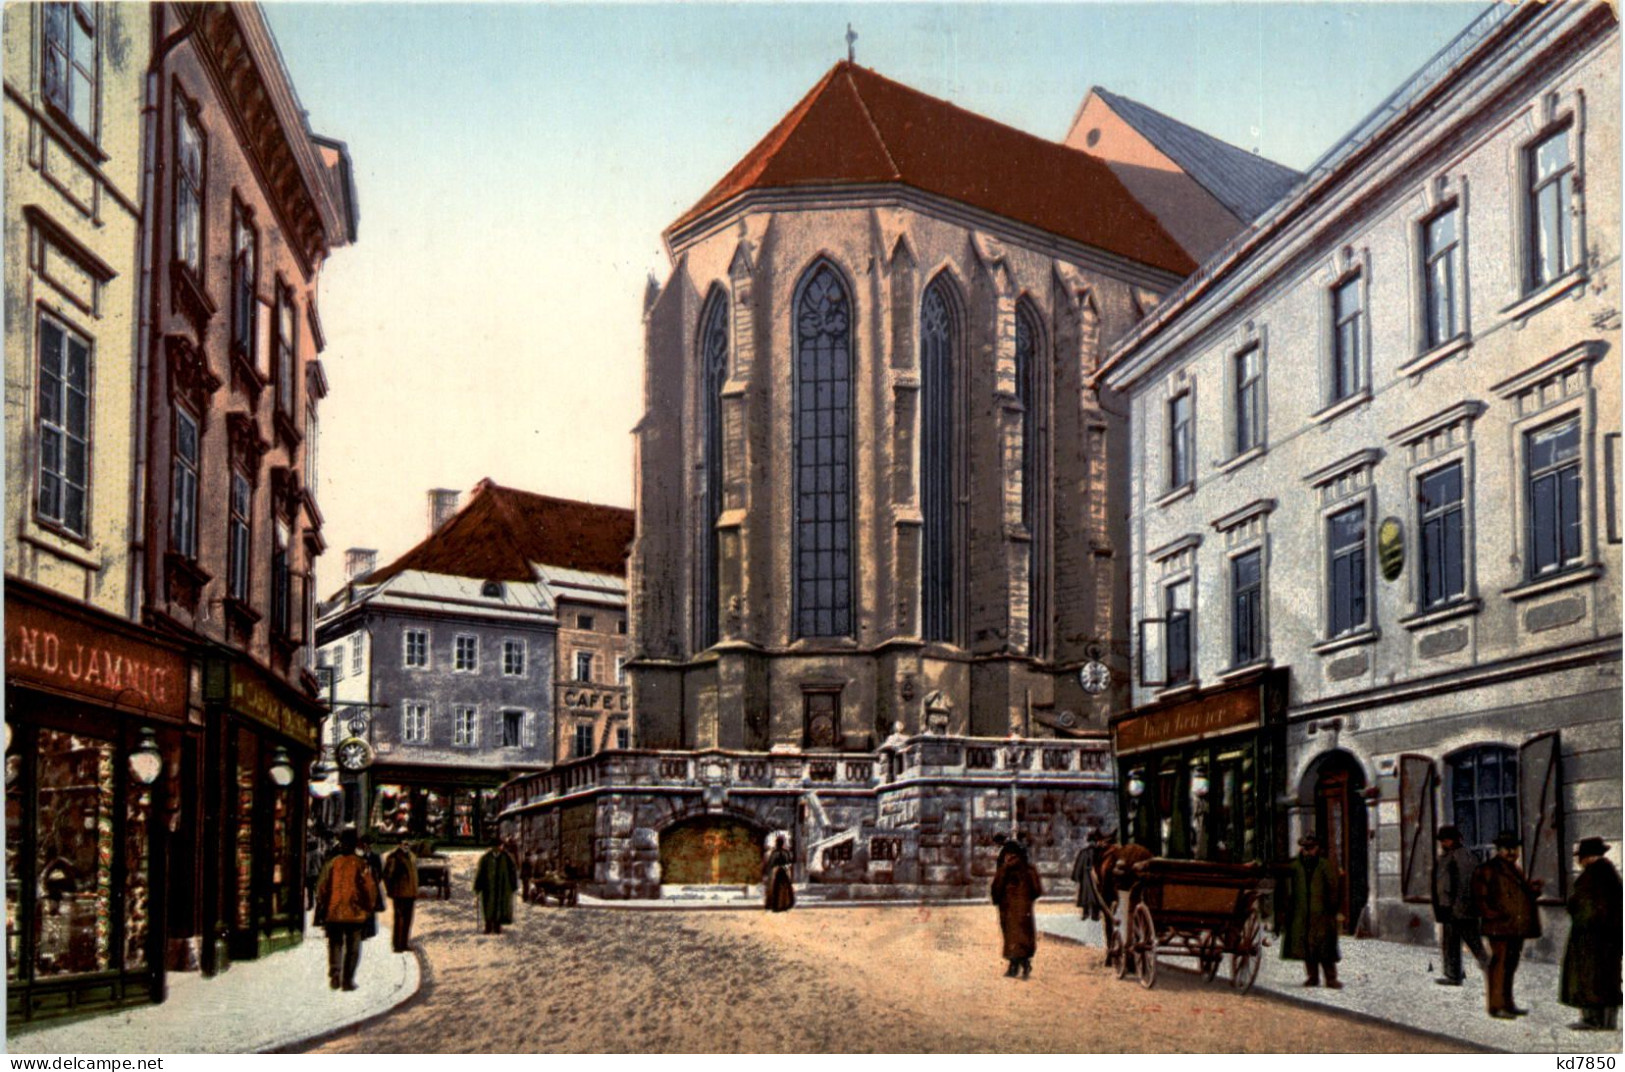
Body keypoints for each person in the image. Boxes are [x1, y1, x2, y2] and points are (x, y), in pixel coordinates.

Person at [1472, 830, 1543, 1019]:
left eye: (1514, 848)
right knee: (1500, 965)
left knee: (1511, 965)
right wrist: (1493, 915)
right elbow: (1480, 898)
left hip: (1514, 926)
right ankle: (1496, 1006)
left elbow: (1518, 895)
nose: (1512, 852)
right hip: (1499, 927)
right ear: (1499, 850)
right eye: (1507, 849)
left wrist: (1532, 891)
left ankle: (1508, 1003)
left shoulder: (1515, 869)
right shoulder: (1488, 869)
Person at [1561, 837, 1622, 1031]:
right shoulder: (1607, 873)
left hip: (1592, 938)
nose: (1579, 861)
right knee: (1605, 978)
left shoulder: (1594, 875)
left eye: (1581, 857)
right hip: (1604, 937)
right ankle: (1604, 1021)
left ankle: (1595, 1021)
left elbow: (1588, 908)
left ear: (1587, 857)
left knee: (1591, 979)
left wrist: (1575, 909)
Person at [313, 828, 382, 991]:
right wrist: (368, 906)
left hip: (334, 911)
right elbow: (369, 889)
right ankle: (347, 980)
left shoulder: (332, 863)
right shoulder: (361, 864)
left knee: (335, 943)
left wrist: (325, 903)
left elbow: (321, 887)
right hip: (355, 913)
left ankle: (335, 971)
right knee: (353, 948)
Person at [1282, 833, 1342, 989]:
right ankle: (1312, 976)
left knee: (1325, 946)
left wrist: (1332, 908)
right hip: (1302, 913)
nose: (1308, 851)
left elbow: (1333, 888)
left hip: (1322, 913)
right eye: (1306, 848)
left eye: (1311, 848)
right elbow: (1289, 887)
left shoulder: (1325, 865)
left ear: (1317, 848)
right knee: (1307, 946)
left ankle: (1330, 978)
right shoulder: (1296, 866)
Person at [1433, 824, 1487, 986]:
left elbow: (1465, 884)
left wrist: (1459, 908)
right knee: (1451, 943)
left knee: (1474, 943)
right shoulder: (1448, 856)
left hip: (1460, 909)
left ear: (1455, 839)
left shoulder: (1463, 856)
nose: (1443, 843)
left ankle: (1493, 971)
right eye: (1442, 840)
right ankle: (1453, 976)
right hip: (1449, 908)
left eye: (1446, 840)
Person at [991, 838, 1043, 979]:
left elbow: (996, 889)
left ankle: (1013, 967)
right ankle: (1025, 965)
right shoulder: (1029, 868)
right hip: (1024, 910)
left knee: (1011, 937)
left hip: (1008, 909)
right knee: (1024, 937)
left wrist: (998, 900)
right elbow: (1037, 890)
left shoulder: (1003, 869)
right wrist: (1027, 900)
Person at [474, 838, 519, 934]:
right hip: (488, 887)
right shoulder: (485, 859)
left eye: (500, 846)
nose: (499, 848)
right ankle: (488, 926)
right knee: (489, 906)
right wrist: (478, 886)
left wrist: (514, 885)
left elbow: (513, 872)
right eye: (497, 846)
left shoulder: (507, 858)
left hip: (502, 886)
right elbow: (480, 873)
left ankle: (498, 926)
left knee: (501, 906)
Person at [381, 841, 419, 954]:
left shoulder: (412, 856)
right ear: (399, 844)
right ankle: (397, 945)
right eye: (404, 843)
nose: (406, 845)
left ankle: (404, 943)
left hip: (411, 893)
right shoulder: (394, 857)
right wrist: (391, 890)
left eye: (408, 843)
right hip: (400, 893)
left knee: (408, 919)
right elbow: (387, 875)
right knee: (400, 919)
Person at [1071, 829, 1104, 922]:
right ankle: (1094, 914)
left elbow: (1079, 866)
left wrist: (1076, 876)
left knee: (1087, 896)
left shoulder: (1085, 852)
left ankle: (1087, 913)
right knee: (1094, 896)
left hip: (1087, 876)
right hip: (1093, 877)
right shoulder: (1099, 852)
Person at [763, 834, 795, 912]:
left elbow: (771, 863)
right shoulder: (786, 852)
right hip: (784, 871)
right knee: (785, 888)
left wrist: (768, 871)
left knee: (777, 888)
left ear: (777, 843)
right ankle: (785, 905)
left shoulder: (775, 852)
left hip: (777, 872)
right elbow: (789, 862)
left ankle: (778, 905)